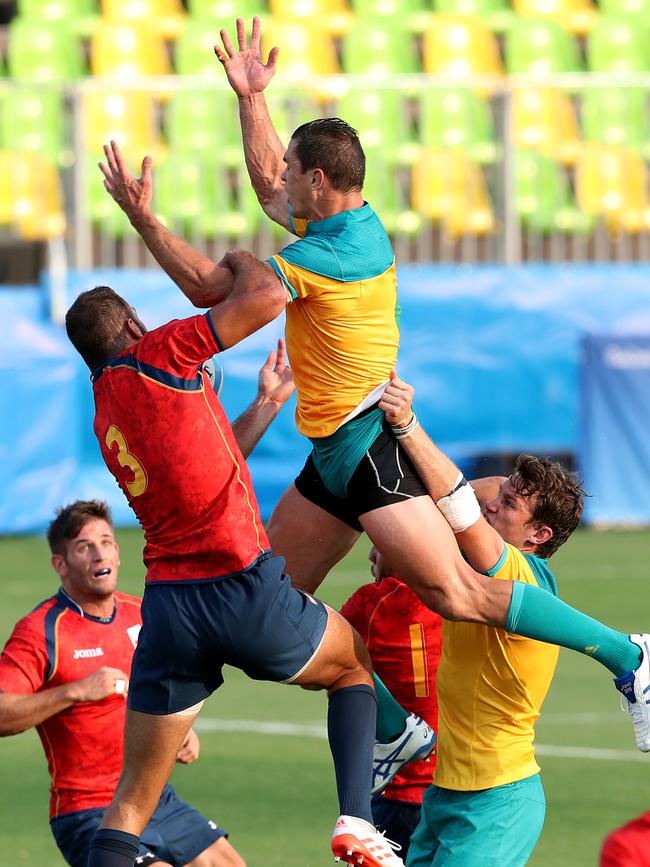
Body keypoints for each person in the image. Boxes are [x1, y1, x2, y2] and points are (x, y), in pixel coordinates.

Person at [96, 17, 650, 760]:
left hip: (367, 445)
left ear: (317, 180)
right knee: (262, 603)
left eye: (292, 169)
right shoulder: (345, 223)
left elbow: (206, 287)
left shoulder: (331, 254)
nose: (278, 180)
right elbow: (267, 186)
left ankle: (632, 658)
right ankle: (392, 728)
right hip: (333, 450)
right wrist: (251, 100)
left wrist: (143, 218)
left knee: (461, 595)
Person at [64, 279, 406, 867]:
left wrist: (269, 402)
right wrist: (159, 228)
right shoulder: (159, 352)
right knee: (351, 665)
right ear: (129, 329)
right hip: (239, 586)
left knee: (128, 808)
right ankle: (358, 820)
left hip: (170, 609)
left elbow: (213, 464)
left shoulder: (105, 407)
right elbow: (265, 293)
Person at [377, 376, 620, 864]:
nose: (493, 503)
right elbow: (466, 496)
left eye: (509, 505)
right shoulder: (483, 574)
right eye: (503, 492)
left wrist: (406, 423)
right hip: (446, 795)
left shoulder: (519, 573)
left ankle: (630, 653)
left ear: (538, 535)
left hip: (497, 802)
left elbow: (460, 506)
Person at [0, 500, 245, 867]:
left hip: (154, 797)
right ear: (60, 565)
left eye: (107, 541)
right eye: (85, 547)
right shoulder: (41, 631)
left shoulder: (141, 614)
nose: (100, 553)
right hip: (88, 811)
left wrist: (178, 730)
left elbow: (169, 685)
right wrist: (75, 691)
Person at [341, 547, 442, 860]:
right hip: (457, 790)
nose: (371, 555)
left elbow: (320, 651)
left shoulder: (373, 602)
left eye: (382, 545)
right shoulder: (461, 597)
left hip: (396, 790)